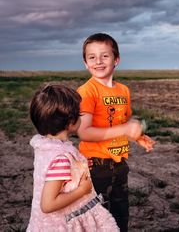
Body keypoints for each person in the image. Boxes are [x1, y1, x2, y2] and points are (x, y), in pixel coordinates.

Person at [77, 33, 155, 231]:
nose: (98, 61)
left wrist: (138, 136)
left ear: (116, 59)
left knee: (120, 217)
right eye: (92, 57)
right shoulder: (87, 92)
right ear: (86, 63)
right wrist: (125, 129)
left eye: (105, 55)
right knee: (97, 219)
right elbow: (84, 132)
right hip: (96, 167)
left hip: (119, 165)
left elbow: (124, 121)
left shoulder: (123, 90)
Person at [27, 84, 119, 231]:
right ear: (71, 122)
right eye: (80, 114)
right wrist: (82, 190)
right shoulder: (61, 158)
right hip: (60, 225)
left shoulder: (45, 147)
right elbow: (48, 204)